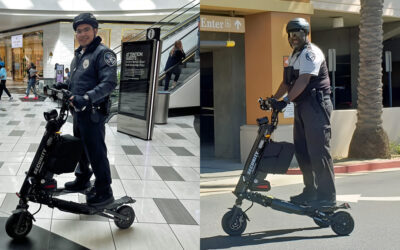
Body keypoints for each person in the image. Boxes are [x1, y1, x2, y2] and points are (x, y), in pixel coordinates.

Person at [271, 18, 336, 208]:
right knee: (303, 151)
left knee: (319, 151)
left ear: (305, 33)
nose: (293, 38)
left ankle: (327, 196)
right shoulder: (294, 56)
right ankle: (311, 191)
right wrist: (273, 99)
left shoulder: (310, 53)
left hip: (316, 105)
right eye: (290, 34)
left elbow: (303, 81)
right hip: (302, 106)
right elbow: (287, 83)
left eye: (297, 33)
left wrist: (285, 101)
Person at [57, 13, 117, 206]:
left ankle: (104, 190)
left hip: (93, 112)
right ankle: (83, 178)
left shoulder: (103, 53)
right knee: (80, 148)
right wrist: (65, 87)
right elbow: (77, 81)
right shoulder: (79, 54)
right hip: (78, 112)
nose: (82, 34)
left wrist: (87, 97)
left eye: (86, 30)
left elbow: (109, 83)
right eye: (78, 31)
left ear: (95, 30)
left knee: (96, 152)